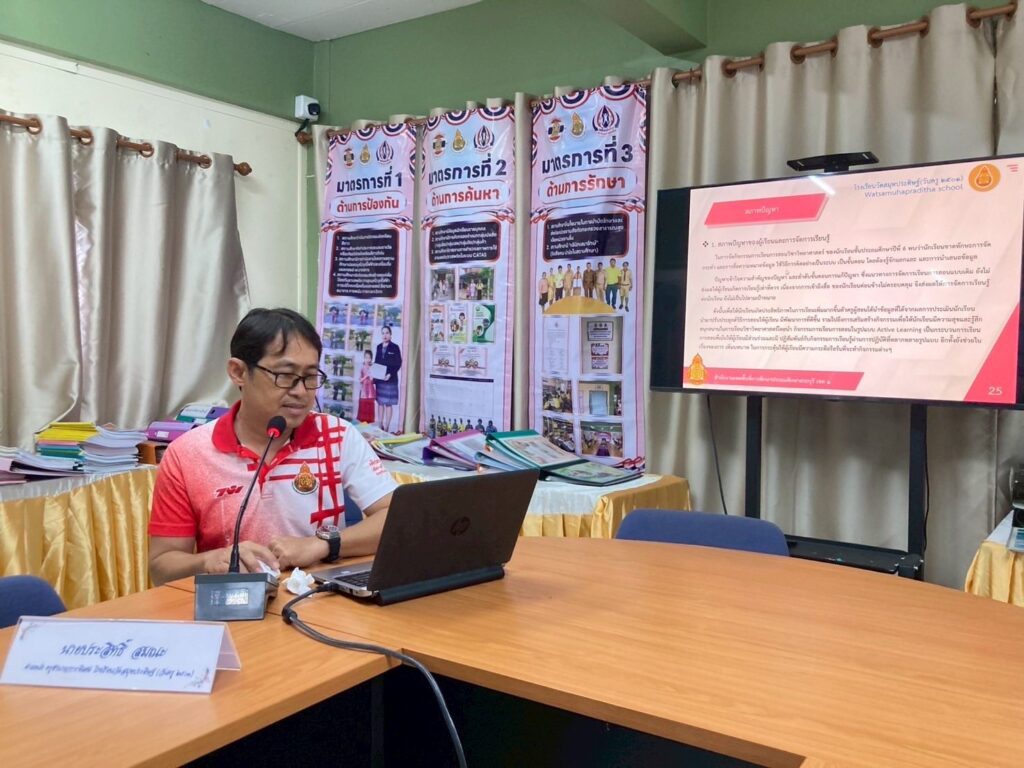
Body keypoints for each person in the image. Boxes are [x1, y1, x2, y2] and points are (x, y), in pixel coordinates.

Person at [148, 308, 397, 586]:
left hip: (321, 599)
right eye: (285, 375)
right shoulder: (187, 454)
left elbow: (397, 519)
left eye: (310, 377)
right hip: (234, 601)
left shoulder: (338, 435)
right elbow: (161, 567)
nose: (301, 392)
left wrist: (322, 544)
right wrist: (210, 561)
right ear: (239, 372)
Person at [374, 324, 402, 432]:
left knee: (388, 404)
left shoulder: (395, 347)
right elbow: (376, 362)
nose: (385, 335)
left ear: (390, 335)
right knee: (380, 403)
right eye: (383, 333)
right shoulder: (378, 347)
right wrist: (375, 375)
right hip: (380, 380)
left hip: (390, 380)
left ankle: (386, 427)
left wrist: (390, 374)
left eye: (387, 333)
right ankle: (380, 425)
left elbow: (398, 363)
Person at [357, 350, 376, 424]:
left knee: (369, 411)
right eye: (366, 357)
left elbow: (373, 380)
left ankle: (368, 426)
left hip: (371, 392)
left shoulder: (373, 367)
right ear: (364, 358)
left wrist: (372, 377)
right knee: (363, 410)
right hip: (363, 392)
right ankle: (362, 427)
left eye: (369, 358)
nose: (368, 359)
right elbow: (360, 380)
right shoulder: (362, 367)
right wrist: (366, 376)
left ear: (371, 359)